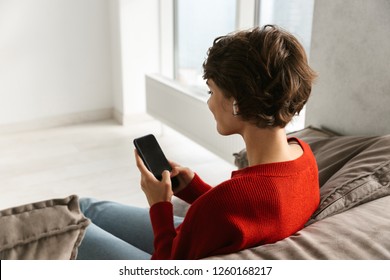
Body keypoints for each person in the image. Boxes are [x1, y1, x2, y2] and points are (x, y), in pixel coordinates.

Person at [76, 25, 319, 260]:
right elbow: (248, 216)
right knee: (83, 207)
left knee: (73, 226)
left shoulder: (233, 196)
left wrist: (159, 204)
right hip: (198, 240)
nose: (210, 103)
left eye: (212, 92)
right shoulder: (304, 156)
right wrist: (194, 188)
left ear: (237, 103)